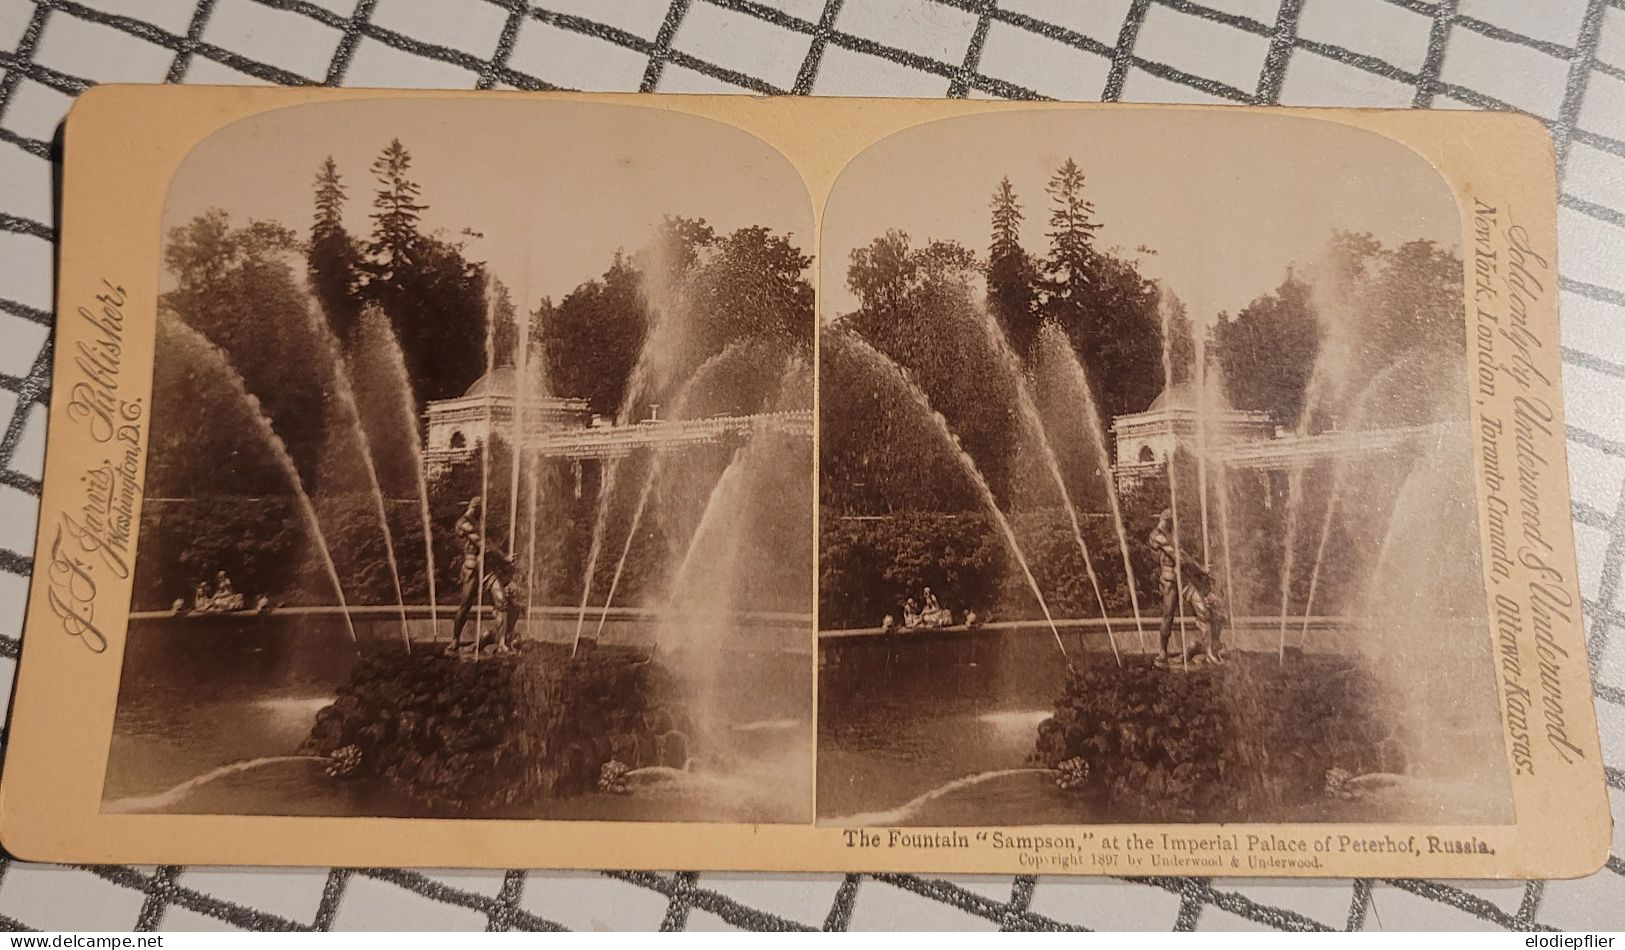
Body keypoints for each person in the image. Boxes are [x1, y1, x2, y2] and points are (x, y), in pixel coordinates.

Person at [1148, 508, 1225, 665]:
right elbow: (1179, 556)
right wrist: (1201, 568)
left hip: (1183, 579)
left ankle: (1210, 652)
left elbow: (1182, 553)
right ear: (1167, 519)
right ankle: (1162, 652)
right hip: (1169, 580)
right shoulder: (1157, 535)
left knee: (1203, 610)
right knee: (1168, 616)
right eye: (1172, 519)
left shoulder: (1171, 533)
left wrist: (1199, 571)